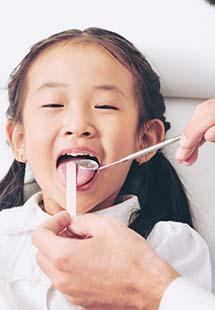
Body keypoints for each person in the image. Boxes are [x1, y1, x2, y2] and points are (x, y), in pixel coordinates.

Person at [0, 28, 212, 309]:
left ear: (146, 140)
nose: (78, 125)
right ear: (19, 140)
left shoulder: (171, 245)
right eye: (53, 104)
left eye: (105, 106)